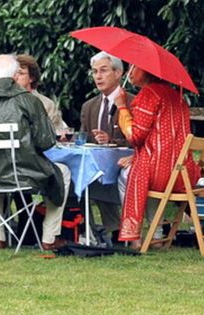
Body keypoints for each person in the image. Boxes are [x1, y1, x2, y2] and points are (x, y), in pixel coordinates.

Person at [0, 54, 70, 250]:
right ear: (12, 75)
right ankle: (49, 238)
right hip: (22, 173)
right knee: (63, 171)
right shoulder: (28, 101)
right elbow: (46, 142)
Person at [113, 65, 197, 243]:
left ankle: (135, 237)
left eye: (133, 68)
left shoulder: (148, 94)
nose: (130, 72)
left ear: (146, 71)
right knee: (142, 173)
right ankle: (156, 233)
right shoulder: (177, 96)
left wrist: (121, 108)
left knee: (126, 176)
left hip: (161, 172)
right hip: (183, 173)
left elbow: (136, 136)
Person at [78, 52, 129, 236]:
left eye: (103, 71)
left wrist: (111, 141)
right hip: (96, 166)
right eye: (94, 72)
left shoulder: (132, 102)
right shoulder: (88, 106)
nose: (98, 76)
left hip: (124, 163)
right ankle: (89, 230)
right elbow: (84, 138)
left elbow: (137, 139)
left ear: (118, 73)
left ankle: (117, 229)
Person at [14, 54, 73, 139]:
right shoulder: (4, 102)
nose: (15, 77)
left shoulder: (46, 104)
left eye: (20, 73)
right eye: (13, 73)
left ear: (32, 78)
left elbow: (57, 134)